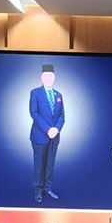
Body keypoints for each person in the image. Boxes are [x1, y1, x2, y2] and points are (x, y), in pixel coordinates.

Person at [29, 63, 65, 203]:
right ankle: (37, 190)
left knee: (50, 164)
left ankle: (47, 188)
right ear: (41, 77)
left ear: (54, 77)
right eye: (46, 76)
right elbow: (34, 113)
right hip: (39, 136)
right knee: (39, 164)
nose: (48, 78)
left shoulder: (59, 95)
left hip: (54, 136)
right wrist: (48, 129)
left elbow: (62, 116)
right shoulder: (35, 92)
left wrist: (56, 129)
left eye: (51, 76)